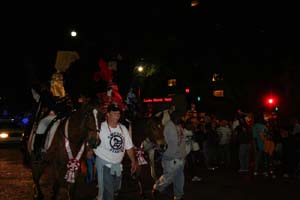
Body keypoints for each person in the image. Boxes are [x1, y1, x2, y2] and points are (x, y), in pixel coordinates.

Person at [93, 103, 137, 200]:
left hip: (117, 166)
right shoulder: (100, 128)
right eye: (114, 113)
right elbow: (91, 141)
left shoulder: (122, 128)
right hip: (104, 165)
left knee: (116, 189)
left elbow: (129, 147)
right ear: (107, 114)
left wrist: (133, 161)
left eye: (118, 113)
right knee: (108, 193)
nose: (118, 115)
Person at [152, 111, 186, 200]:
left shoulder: (179, 126)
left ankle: (178, 196)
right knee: (168, 177)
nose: (181, 118)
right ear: (173, 117)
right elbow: (164, 142)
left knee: (179, 179)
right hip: (171, 157)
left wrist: (184, 154)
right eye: (179, 117)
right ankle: (157, 188)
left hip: (180, 157)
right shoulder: (168, 127)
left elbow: (182, 141)